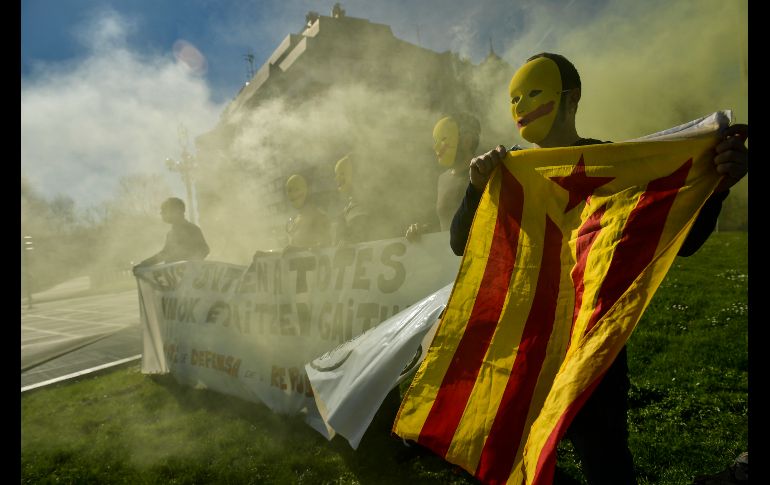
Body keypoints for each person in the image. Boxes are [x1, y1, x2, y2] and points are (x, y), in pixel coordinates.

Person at [449, 52, 748, 484]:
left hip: (593, 343)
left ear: (571, 100)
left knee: (605, 461)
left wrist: (716, 187)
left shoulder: (615, 163)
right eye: (514, 98)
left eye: (533, 93)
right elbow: (461, 242)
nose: (520, 107)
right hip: (525, 344)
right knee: (507, 458)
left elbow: (682, 244)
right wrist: (474, 189)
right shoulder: (505, 168)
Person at [405, 112, 483, 241]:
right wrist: (422, 231)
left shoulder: (486, 174)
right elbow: (445, 225)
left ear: (466, 141)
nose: (436, 147)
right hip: (449, 257)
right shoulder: (443, 179)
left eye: (443, 140)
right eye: (436, 141)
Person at [133, 197, 210, 273]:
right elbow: (165, 254)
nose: (161, 214)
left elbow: (204, 249)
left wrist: (189, 263)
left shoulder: (192, 229)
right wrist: (144, 264)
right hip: (176, 279)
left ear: (177, 211)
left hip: (188, 279)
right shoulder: (171, 233)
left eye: (165, 211)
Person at [283, 173, 331, 252]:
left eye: (297, 189)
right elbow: (288, 250)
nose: (292, 194)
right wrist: (267, 254)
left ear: (307, 191)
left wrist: (298, 250)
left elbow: (326, 245)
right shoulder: (294, 220)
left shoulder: (318, 216)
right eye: (289, 190)